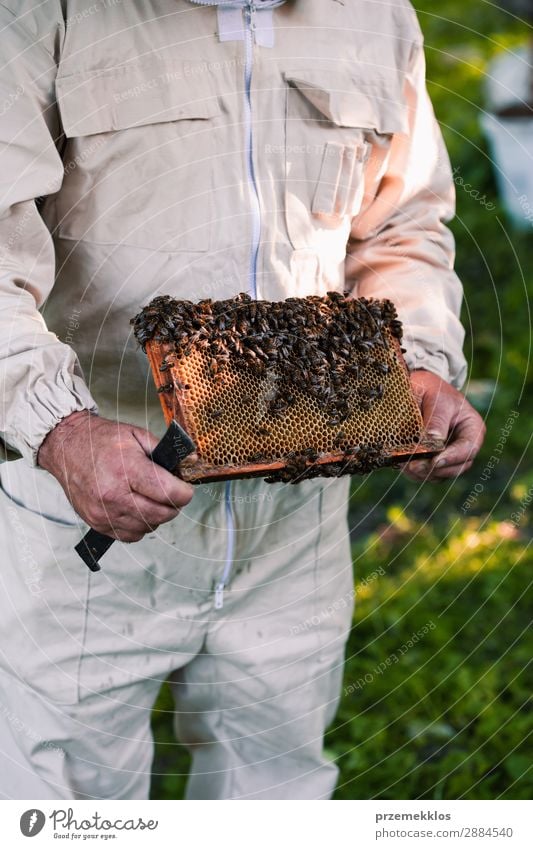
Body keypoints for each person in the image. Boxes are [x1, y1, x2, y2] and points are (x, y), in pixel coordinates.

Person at [0, 0, 485, 800]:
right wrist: (59, 427)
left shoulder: (374, 15)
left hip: (295, 521)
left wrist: (422, 362)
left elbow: (401, 226)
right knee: (66, 799)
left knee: (274, 788)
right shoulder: (43, 13)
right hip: (87, 506)